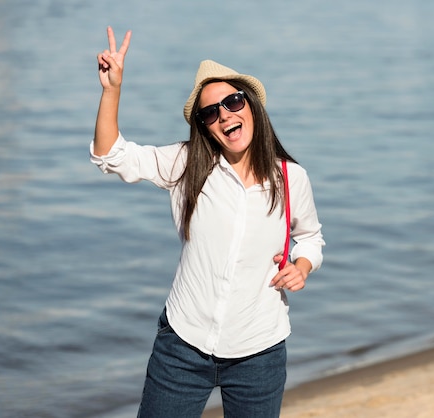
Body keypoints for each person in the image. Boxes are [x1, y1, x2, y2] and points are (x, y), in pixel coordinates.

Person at [91, 27, 325, 418]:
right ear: (204, 125)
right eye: (210, 112)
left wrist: (302, 267)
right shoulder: (187, 165)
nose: (225, 115)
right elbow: (110, 155)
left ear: (251, 105)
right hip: (182, 347)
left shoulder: (291, 178)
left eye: (233, 101)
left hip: (259, 353)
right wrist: (111, 89)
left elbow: (311, 238)